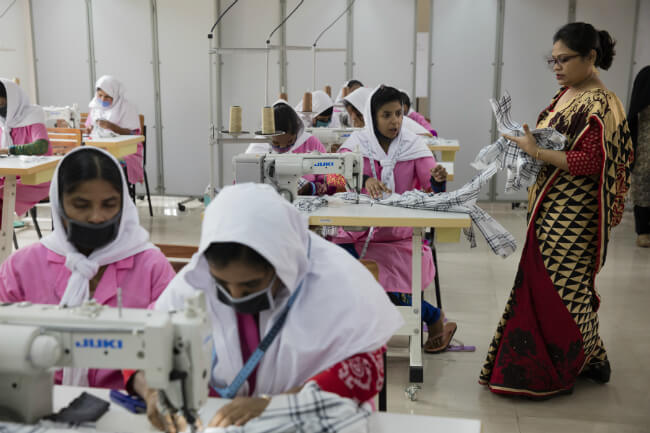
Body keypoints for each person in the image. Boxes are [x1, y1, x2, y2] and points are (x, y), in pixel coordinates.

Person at [129, 183, 402, 431]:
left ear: (282, 264)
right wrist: (151, 391)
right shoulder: (195, 281)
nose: (234, 296)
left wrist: (276, 404)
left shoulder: (337, 284)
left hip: (310, 420)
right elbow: (143, 343)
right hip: (222, 418)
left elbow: (366, 371)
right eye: (222, 284)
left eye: (250, 286)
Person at [479, 22, 633, 398]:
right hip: (547, 206)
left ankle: (585, 357)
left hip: (573, 213)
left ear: (590, 57)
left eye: (564, 60)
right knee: (545, 282)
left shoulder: (601, 103)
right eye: (553, 60)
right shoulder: (567, 94)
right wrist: (526, 147)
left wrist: (537, 152)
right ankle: (592, 355)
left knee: (564, 288)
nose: (557, 67)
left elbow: (590, 161)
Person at [0, 147, 176, 388]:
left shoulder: (151, 267)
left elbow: (172, 342)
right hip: (38, 398)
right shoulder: (21, 268)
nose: (96, 217)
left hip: (127, 400)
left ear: (123, 204)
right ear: (58, 204)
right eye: (81, 205)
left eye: (109, 204)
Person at [334, 85, 455, 353]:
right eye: (386, 115)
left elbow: (431, 187)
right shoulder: (354, 147)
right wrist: (364, 180)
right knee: (339, 274)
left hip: (399, 237)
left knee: (377, 285)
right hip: (356, 234)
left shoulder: (414, 146)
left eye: (399, 114)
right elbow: (332, 179)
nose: (395, 121)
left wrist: (437, 181)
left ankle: (432, 318)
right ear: (372, 117)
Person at [245, 100, 330, 196]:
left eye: (290, 142)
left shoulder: (311, 143)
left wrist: (315, 187)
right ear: (267, 136)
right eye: (276, 143)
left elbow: (328, 176)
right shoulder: (257, 149)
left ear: (298, 132)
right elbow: (243, 185)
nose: (283, 148)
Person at [0, 78, 52, 225]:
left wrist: (8, 150)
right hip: (11, 176)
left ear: (12, 101)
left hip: (37, 178)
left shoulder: (33, 116)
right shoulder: (3, 123)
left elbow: (41, 146)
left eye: (2, 104)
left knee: (3, 193)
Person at [85, 75, 144, 185]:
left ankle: (113, 194)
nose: (102, 99)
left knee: (106, 164)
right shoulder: (95, 106)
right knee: (84, 162)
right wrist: (89, 129)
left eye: (107, 96)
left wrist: (112, 127)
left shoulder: (126, 108)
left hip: (126, 150)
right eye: (100, 95)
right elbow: (89, 126)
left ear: (115, 95)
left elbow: (133, 134)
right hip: (100, 148)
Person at [628, 66, 650, 247]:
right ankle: (642, 231)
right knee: (642, 184)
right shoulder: (646, 75)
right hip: (644, 143)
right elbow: (634, 111)